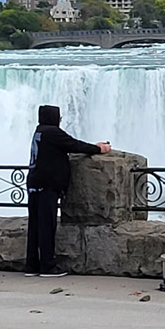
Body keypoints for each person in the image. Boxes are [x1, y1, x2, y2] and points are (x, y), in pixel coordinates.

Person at [25, 105, 110, 277]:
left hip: (34, 183)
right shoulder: (52, 132)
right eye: (59, 117)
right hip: (46, 186)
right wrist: (98, 149)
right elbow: (74, 144)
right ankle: (47, 266)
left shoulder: (39, 131)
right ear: (53, 118)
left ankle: (32, 265)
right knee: (47, 227)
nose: (60, 120)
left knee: (35, 226)